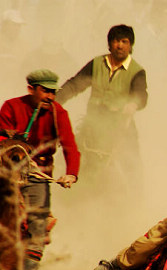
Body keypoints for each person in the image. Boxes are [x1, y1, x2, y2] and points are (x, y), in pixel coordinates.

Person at [0, 69, 80, 270]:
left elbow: (70, 147)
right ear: (31, 89)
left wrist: (71, 173)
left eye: (53, 91)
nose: (50, 96)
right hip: (5, 172)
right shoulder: (11, 107)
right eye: (45, 90)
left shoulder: (59, 114)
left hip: (38, 176)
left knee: (37, 226)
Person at [57, 24, 148, 187]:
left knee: (132, 165)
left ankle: (135, 199)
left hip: (121, 127)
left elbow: (141, 94)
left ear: (130, 45)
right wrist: (55, 100)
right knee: (67, 154)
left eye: (124, 41)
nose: (119, 45)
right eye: (115, 41)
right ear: (109, 44)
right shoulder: (97, 63)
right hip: (92, 124)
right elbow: (75, 85)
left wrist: (133, 104)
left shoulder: (137, 71)